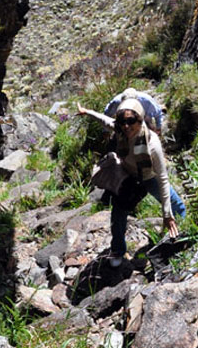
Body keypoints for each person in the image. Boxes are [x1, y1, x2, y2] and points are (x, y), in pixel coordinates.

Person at [77, 98, 185, 266]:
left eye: (131, 121)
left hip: (150, 177)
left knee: (176, 205)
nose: (126, 126)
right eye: (122, 121)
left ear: (140, 119)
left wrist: (167, 215)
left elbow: (163, 178)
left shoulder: (152, 143)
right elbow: (105, 121)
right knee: (118, 214)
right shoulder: (120, 129)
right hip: (129, 177)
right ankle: (118, 251)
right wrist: (87, 112)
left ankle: (185, 233)